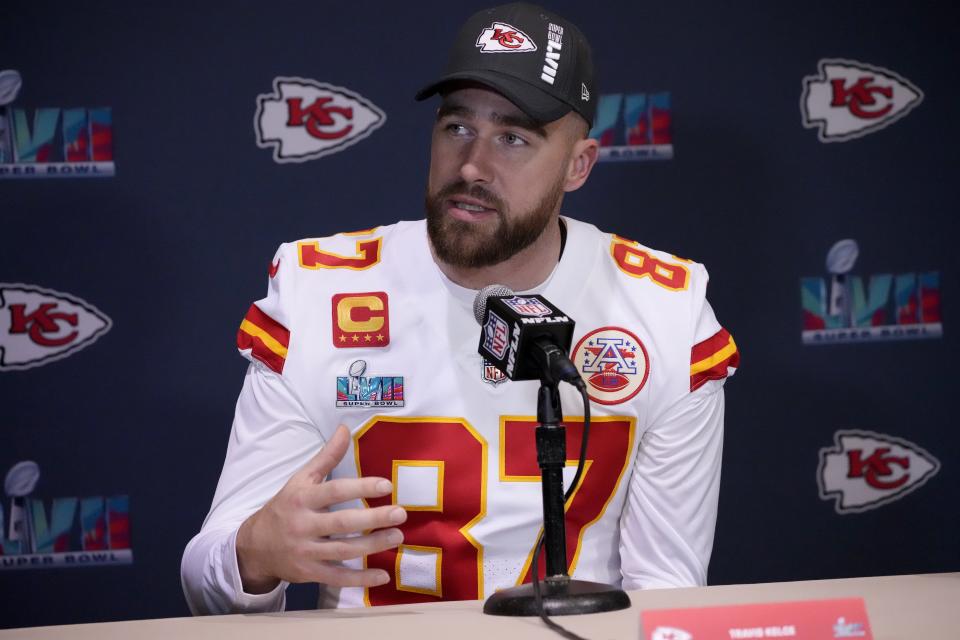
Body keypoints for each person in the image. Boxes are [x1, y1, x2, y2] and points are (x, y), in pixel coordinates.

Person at [181, 2, 738, 615]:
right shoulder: (317, 294)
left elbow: (668, 590)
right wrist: (254, 554)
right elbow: (208, 580)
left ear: (578, 165)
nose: (472, 165)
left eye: (513, 139)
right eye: (457, 128)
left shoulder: (664, 310)